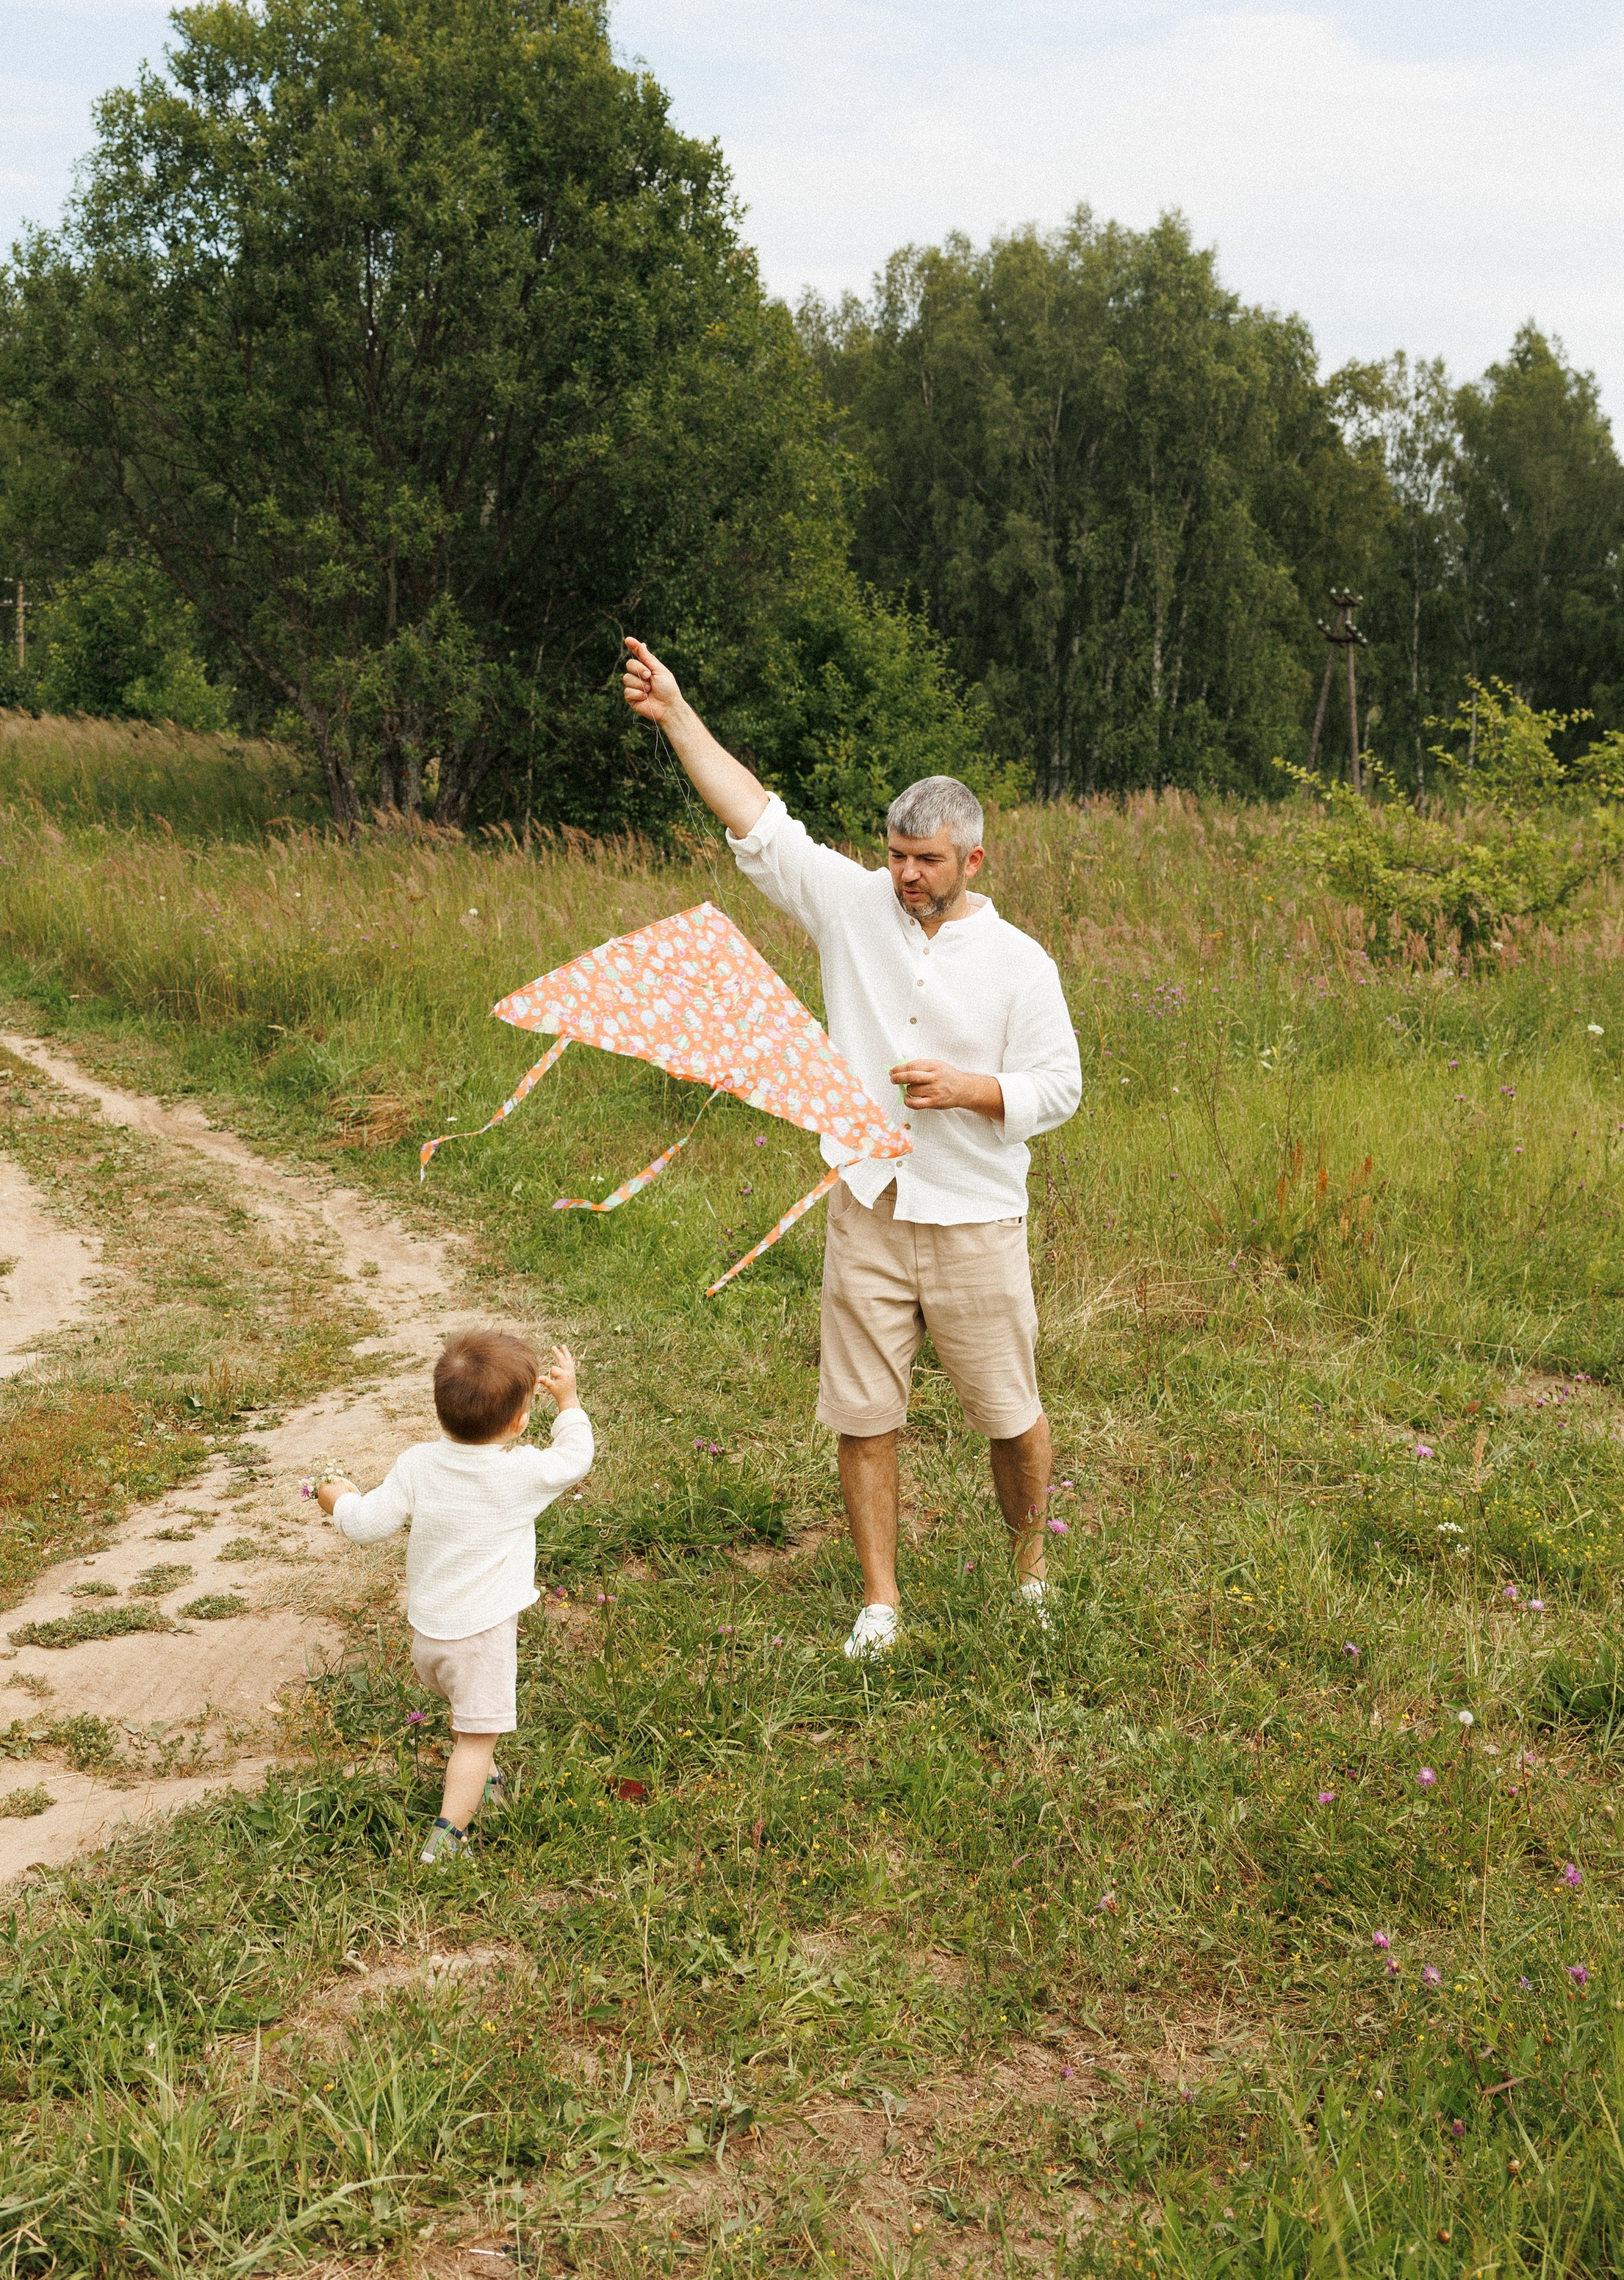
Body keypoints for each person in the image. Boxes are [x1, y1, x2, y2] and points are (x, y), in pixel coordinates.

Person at [622, 636, 1079, 1658]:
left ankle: (1030, 1572)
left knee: (1010, 1416)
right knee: (864, 1416)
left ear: (974, 859)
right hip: (868, 1208)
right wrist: (679, 715)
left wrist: (976, 1090)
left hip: (975, 1220)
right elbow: (758, 821)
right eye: (896, 854)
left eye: (927, 861)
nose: (906, 876)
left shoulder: (1019, 964)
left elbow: (1061, 1087)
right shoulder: (851, 903)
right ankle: (881, 1603)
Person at [311, 1328, 593, 1859]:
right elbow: (575, 1457)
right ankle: (448, 1839)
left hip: (428, 1637)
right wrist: (570, 1402)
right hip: (480, 1640)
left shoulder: (417, 1463)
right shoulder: (521, 1473)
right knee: (475, 1736)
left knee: (464, 1708)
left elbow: (367, 1524)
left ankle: (486, 1782)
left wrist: (339, 1502)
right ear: (519, 1422)